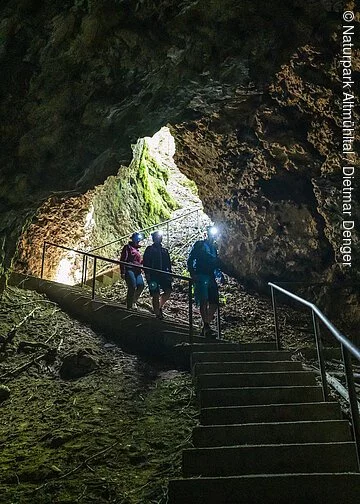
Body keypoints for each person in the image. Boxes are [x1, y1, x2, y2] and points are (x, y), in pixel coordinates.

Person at [187, 225, 225, 338]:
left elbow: (216, 263)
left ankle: (206, 325)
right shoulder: (199, 245)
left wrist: (220, 275)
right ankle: (207, 326)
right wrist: (192, 274)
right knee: (203, 300)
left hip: (211, 276)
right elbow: (191, 258)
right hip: (201, 275)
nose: (212, 236)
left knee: (214, 302)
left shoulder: (214, 248)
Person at [143, 231, 172, 319]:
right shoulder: (149, 249)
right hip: (153, 275)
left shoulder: (164, 250)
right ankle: (157, 313)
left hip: (163, 275)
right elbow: (146, 262)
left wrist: (169, 273)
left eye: (160, 237)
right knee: (155, 293)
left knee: (168, 291)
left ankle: (159, 307)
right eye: (157, 237)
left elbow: (168, 263)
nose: (159, 239)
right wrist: (147, 273)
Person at [119, 232, 144, 309]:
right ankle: (129, 306)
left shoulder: (137, 250)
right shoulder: (128, 247)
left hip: (137, 271)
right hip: (129, 269)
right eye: (137, 240)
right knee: (132, 286)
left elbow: (139, 261)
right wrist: (123, 271)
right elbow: (123, 259)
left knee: (141, 285)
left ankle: (133, 301)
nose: (138, 241)